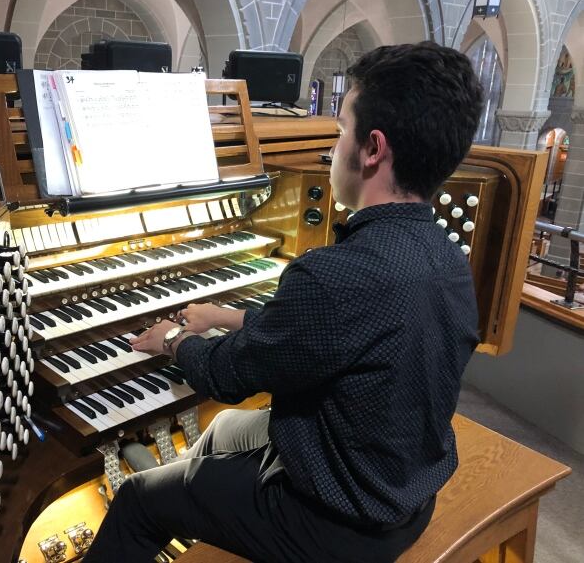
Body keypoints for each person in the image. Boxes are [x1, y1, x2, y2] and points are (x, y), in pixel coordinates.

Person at [83, 41, 484, 563]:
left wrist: (175, 340)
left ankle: (181, 514)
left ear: (372, 149)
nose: (332, 145)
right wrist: (229, 316)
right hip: (405, 490)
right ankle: (199, 519)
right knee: (227, 430)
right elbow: (334, 333)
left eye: (341, 128)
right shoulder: (445, 257)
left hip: (334, 521)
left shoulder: (334, 274)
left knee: (137, 501)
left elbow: (227, 376)